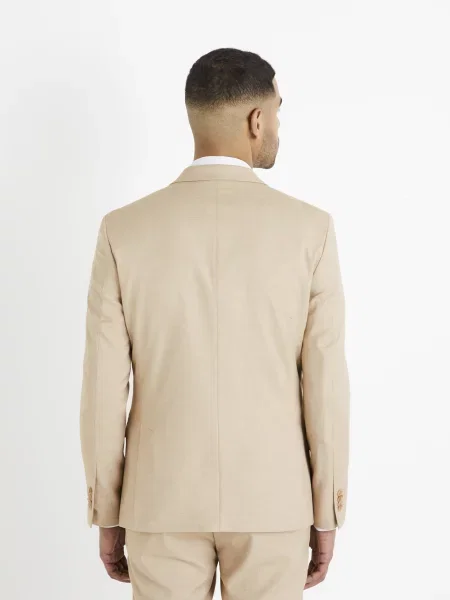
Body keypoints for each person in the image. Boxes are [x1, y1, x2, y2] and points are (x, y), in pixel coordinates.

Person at [80, 47, 350, 599]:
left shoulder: (123, 230)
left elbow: (103, 390)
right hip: (274, 503)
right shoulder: (310, 231)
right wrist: (327, 511)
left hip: (160, 503)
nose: (278, 126)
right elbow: (324, 387)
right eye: (277, 111)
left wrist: (107, 509)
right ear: (256, 120)